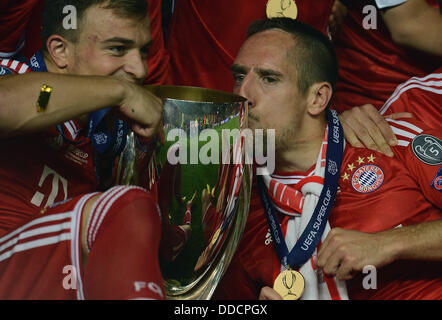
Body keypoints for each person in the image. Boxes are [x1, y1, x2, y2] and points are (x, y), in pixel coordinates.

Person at [207, 17, 441, 300]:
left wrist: (389, 243)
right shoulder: (239, 209)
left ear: (318, 98)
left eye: (269, 79)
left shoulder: (388, 141)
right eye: (239, 77)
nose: (243, 94)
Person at [0, 0, 166, 299]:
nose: (139, 69)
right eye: (117, 49)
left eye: (143, 51)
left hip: (54, 281)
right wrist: (121, 91)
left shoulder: (108, 130)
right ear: (60, 51)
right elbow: (13, 104)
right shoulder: (17, 78)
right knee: (124, 205)